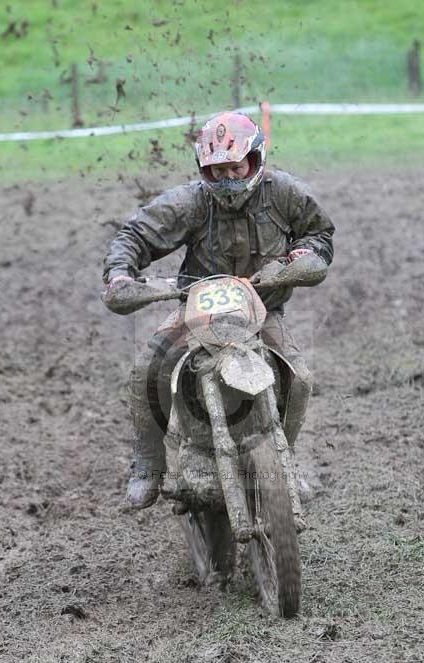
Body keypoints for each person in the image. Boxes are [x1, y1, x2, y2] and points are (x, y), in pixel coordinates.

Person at [103, 111, 335, 509]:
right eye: (217, 170)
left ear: (254, 161)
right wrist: (121, 274)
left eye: (235, 167)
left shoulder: (284, 193)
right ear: (203, 170)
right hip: (198, 312)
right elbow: (135, 234)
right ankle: (148, 466)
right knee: (146, 369)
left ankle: (286, 460)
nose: (227, 178)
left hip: (262, 310)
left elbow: (319, 231)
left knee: (300, 378)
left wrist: (305, 253)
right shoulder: (190, 201)